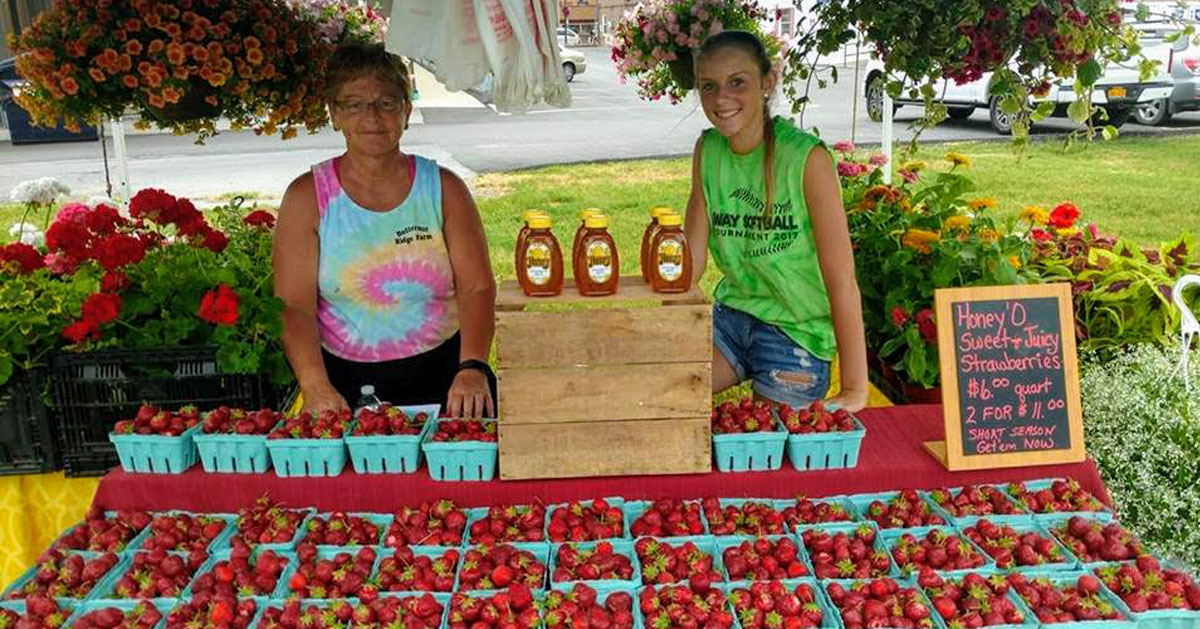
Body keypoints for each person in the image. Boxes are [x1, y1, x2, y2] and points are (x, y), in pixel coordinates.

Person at [274, 42, 497, 418]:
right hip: (341, 386)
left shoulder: (444, 188)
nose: (372, 116)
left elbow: (476, 286)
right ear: (335, 115)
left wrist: (473, 367)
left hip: (450, 377)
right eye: (354, 104)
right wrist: (315, 385)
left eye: (387, 103)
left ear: (407, 111)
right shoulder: (307, 197)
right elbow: (294, 306)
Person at [684, 31, 869, 412]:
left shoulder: (807, 160)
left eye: (737, 82)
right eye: (708, 86)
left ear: (767, 82)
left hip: (797, 332)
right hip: (732, 319)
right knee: (667, 395)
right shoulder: (708, 150)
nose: (721, 99)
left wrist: (854, 387)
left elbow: (841, 279)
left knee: (769, 443)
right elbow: (691, 264)